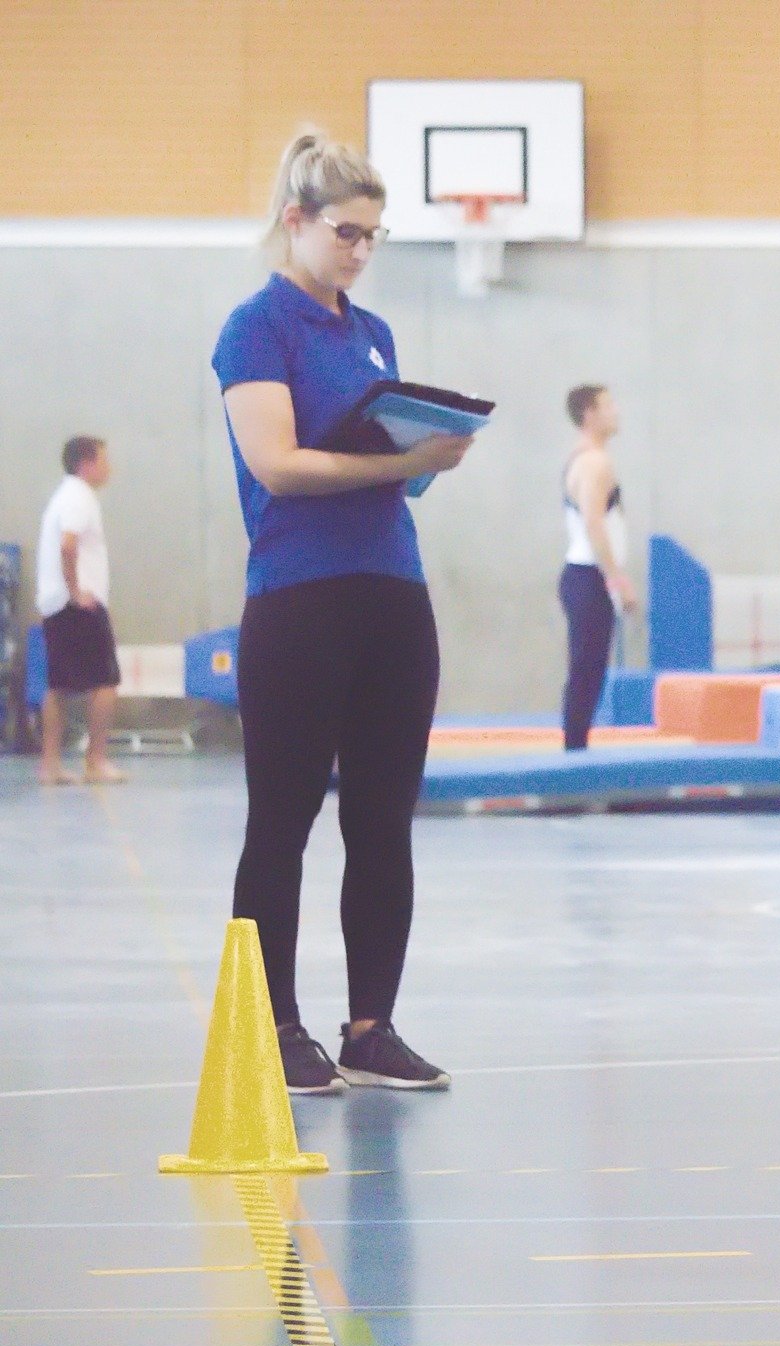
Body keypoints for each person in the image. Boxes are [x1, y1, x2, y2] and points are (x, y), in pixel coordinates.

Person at [212, 131, 471, 1095]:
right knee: (281, 821)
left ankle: (371, 1027)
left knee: (382, 819)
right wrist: (400, 461)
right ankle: (273, 1025)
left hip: (392, 594)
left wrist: (426, 456)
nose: (361, 251)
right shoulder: (255, 328)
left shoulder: (374, 333)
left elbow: (389, 475)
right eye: (346, 233)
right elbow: (278, 465)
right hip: (300, 600)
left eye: (373, 235)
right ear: (297, 221)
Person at [34, 435, 124, 786]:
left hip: (56, 604)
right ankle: (95, 761)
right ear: (86, 464)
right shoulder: (79, 497)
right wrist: (76, 591)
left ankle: (50, 766)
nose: (109, 468)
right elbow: (68, 545)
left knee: (59, 685)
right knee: (105, 682)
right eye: (104, 460)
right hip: (77, 606)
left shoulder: (64, 495)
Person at [560, 384, 638, 752]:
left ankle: (576, 748)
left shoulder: (586, 457)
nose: (617, 411)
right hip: (588, 576)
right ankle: (574, 751)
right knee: (586, 671)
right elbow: (594, 524)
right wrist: (617, 582)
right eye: (609, 405)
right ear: (590, 414)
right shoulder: (594, 462)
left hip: (586, 577)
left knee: (589, 670)